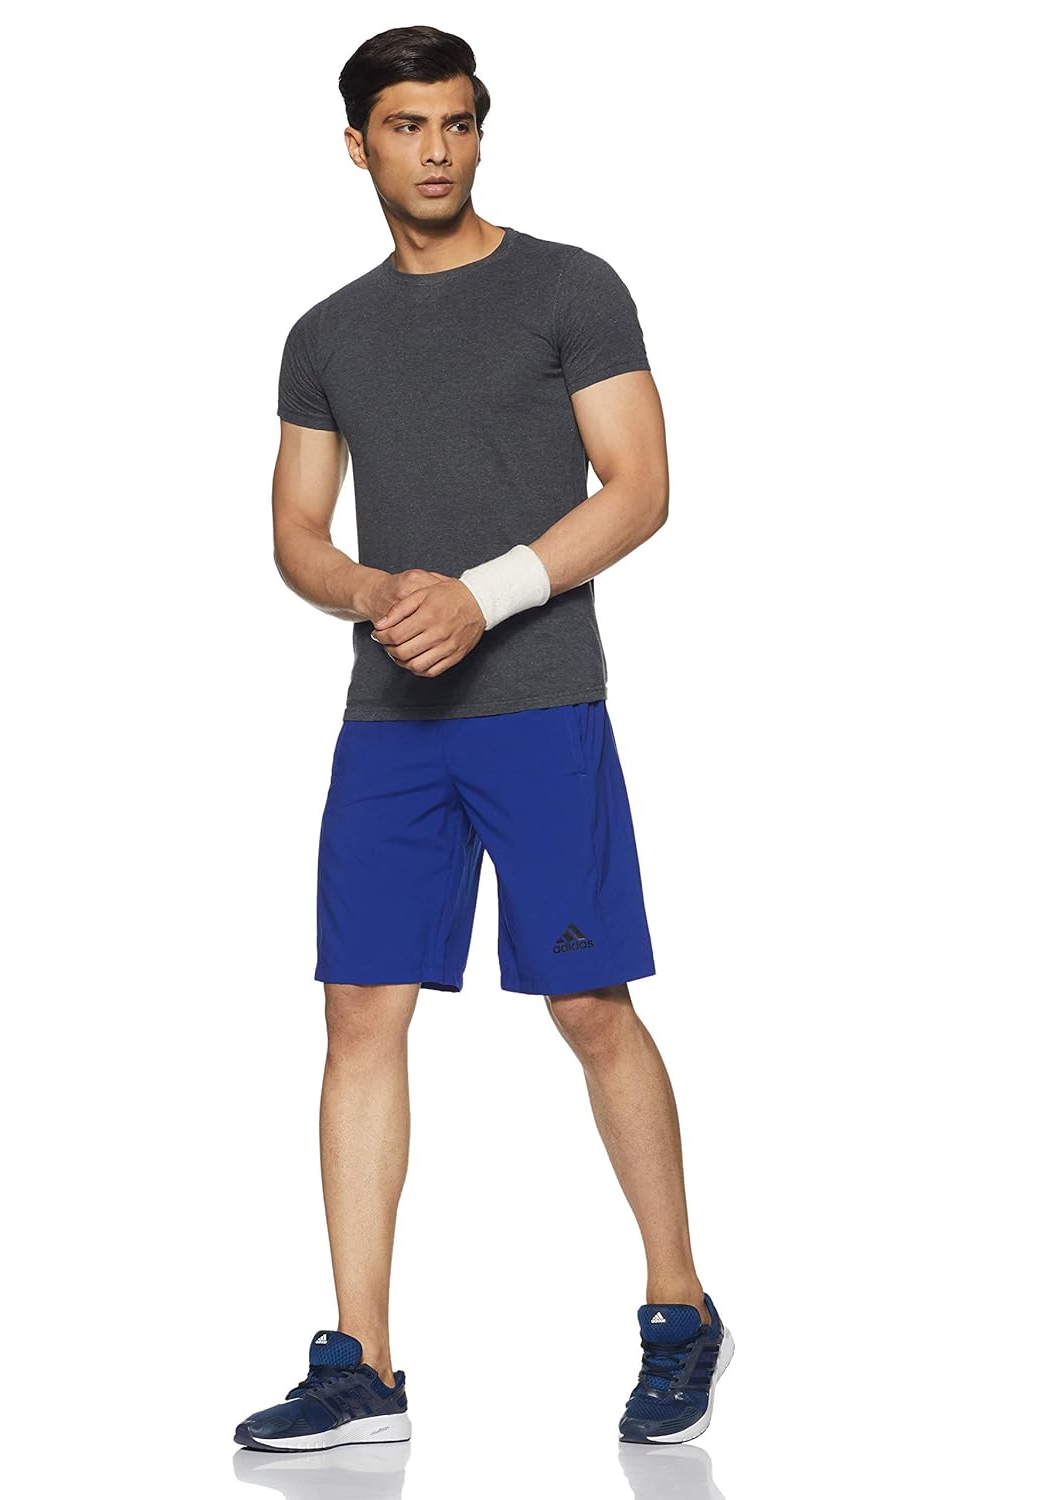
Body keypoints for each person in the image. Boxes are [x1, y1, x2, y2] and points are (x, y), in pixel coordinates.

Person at [234, 24, 734, 1454]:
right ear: (357, 145)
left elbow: (638, 488)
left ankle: (680, 1309)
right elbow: (296, 528)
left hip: (539, 703)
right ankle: (363, 1364)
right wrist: (368, 591)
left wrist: (484, 594)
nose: (437, 149)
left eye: (457, 122)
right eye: (407, 125)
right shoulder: (326, 333)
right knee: (358, 1012)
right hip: (389, 718)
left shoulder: (569, 287)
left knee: (586, 1004)